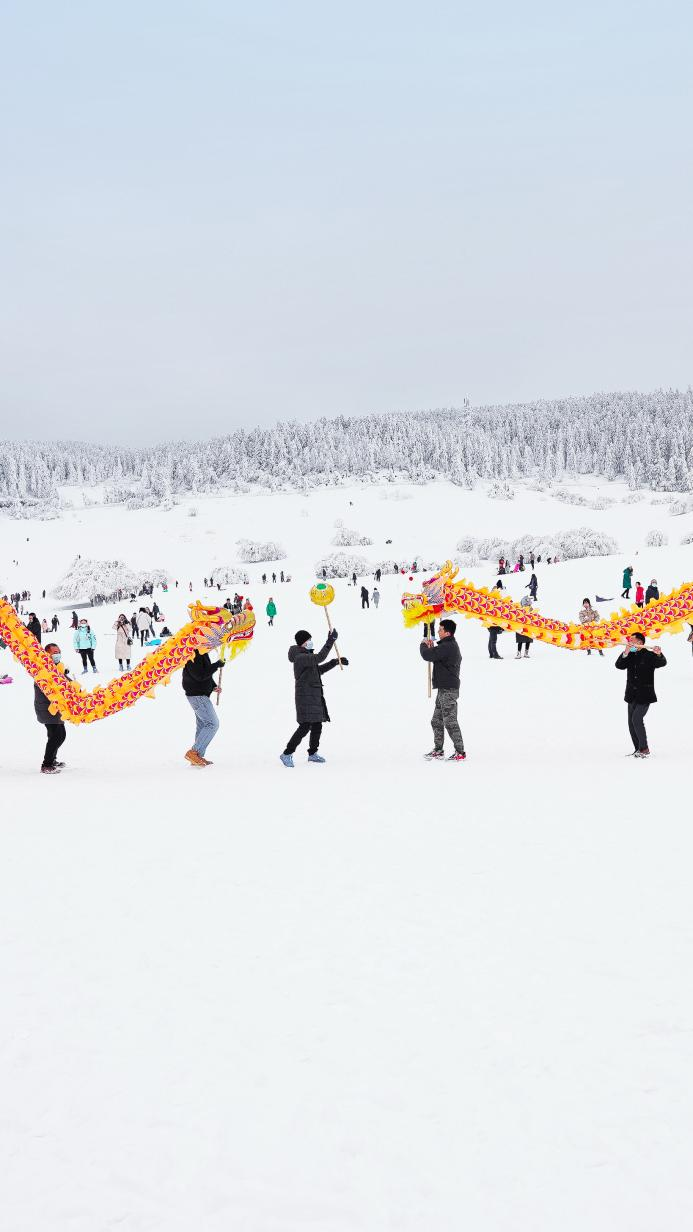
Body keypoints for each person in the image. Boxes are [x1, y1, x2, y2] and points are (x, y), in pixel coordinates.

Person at [280, 629, 347, 766]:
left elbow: (318, 670)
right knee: (305, 726)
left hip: (313, 695)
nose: (310, 642)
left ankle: (312, 754)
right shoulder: (300, 658)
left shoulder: (306, 656)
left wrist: (336, 661)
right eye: (308, 640)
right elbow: (319, 658)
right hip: (305, 696)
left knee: (317, 724)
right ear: (302, 643)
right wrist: (330, 641)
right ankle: (286, 753)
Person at [419, 619, 465, 761]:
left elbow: (428, 655)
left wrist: (423, 645)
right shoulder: (446, 645)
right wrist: (431, 647)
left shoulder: (449, 646)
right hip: (443, 689)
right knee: (436, 721)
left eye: (440, 629)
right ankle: (438, 750)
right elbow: (435, 655)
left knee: (450, 722)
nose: (438, 631)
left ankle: (460, 752)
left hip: (448, 690)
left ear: (447, 632)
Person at [615, 632, 666, 758]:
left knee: (636, 719)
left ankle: (644, 749)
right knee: (631, 723)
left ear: (640, 642)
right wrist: (626, 652)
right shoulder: (630, 654)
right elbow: (619, 666)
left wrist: (659, 654)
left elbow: (662, 663)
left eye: (632, 640)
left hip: (645, 694)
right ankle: (638, 749)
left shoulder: (649, 655)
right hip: (631, 694)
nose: (629, 642)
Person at [182, 648, 223, 765]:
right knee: (212, 724)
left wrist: (213, 686)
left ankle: (196, 757)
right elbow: (199, 675)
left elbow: (205, 674)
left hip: (199, 694)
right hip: (197, 695)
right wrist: (217, 665)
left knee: (202, 726)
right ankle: (194, 752)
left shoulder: (202, 652)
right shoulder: (193, 653)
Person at [34, 642, 69, 774]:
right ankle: (46, 765)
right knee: (56, 736)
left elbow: (64, 682)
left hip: (56, 708)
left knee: (60, 735)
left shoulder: (56, 667)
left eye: (58, 651)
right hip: (47, 708)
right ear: (47, 654)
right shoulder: (42, 668)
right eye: (54, 652)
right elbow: (49, 687)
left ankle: (52, 759)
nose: (57, 654)